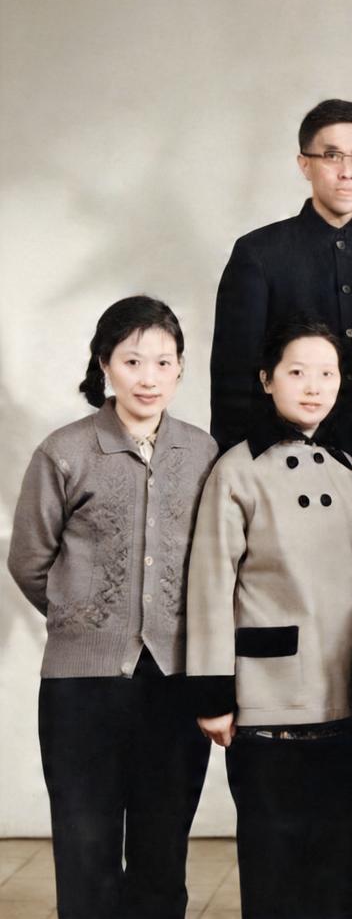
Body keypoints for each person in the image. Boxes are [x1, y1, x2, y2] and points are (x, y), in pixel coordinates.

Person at [9, 296, 217, 919]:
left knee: (162, 852)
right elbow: (29, 559)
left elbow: (214, 563)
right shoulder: (64, 451)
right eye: (132, 361)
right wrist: (83, 619)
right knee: (85, 849)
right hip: (81, 687)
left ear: (181, 368)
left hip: (174, 681)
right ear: (104, 364)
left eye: (164, 362)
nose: (149, 377)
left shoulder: (202, 453)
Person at [187, 321, 352, 919]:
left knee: (336, 864)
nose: (314, 386)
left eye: (326, 373)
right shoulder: (238, 468)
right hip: (268, 695)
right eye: (297, 372)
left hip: (342, 693)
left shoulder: (348, 468)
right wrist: (214, 693)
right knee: (273, 862)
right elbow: (210, 584)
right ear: (266, 380)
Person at [211, 98, 352, 468]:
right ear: (304, 164)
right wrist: (240, 467)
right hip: (288, 459)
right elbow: (233, 378)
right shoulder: (258, 253)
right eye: (332, 156)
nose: (347, 172)